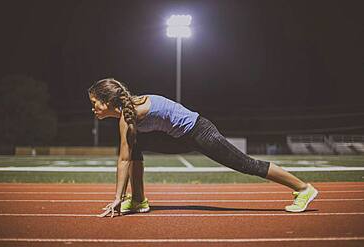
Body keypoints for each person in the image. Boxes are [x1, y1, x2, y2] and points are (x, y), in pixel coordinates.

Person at [88, 78, 318, 218]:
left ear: (107, 101)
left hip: (199, 132)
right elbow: (126, 157)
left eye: (94, 103)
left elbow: (123, 161)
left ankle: (303, 188)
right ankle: (138, 199)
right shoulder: (129, 114)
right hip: (178, 138)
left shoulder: (127, 118)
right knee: (135, 144)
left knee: (246, 164)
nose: (93, 109)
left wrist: (117, 197)